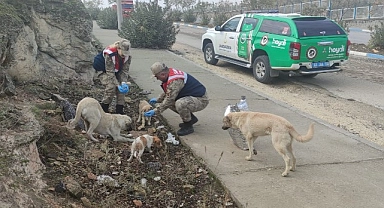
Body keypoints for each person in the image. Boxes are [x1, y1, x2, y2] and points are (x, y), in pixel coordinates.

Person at [144, 62, 209, 136]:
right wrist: (158, 99)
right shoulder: (169, 73)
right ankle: (191, 119)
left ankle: (188, 126)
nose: (157, 79)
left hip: (201, 99)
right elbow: (169, 91)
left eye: (157, 77)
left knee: (180, 104)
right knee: (171, 103)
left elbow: (169, 99)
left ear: (163, 74)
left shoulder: (175, 80)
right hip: (191, 96)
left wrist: (155, 111)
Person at [94, 39, 132, 114]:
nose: (124, 55)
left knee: (122, 87)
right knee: (111, 86)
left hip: (116, 70)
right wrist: (117, 85)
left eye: (126, 53)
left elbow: (124, 71)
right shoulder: (109, 54)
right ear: (118, 48)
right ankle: (104, 109)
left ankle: (119, 110)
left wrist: (123, 83)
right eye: (123, 53)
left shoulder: (128, 56)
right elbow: (110, 72)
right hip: (103, 69)